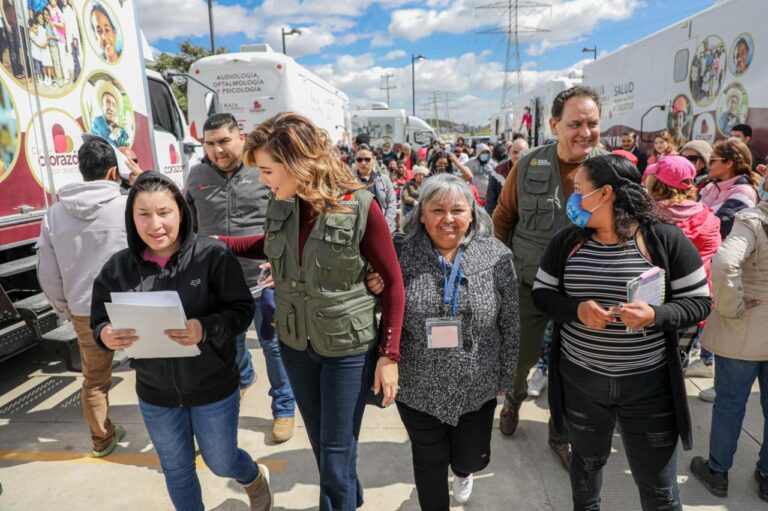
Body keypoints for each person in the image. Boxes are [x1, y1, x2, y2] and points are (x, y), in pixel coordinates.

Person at [218, 112, 405, 510]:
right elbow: (267, 244)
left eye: (268, 170)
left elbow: (392, 282)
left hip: (346, 351)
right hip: (295, 345)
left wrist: (389, 355)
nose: (264, 179)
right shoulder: (283, 203)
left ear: (297, 161)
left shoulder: (360, 206)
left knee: (337, 453)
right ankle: (349, 501)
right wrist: (214, 243)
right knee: (325, 448)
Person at [532, 154, 712, 510]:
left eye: (579, 189)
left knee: (659, 491)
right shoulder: (567, 242)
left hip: (649, 388)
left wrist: (655, 315)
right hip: (582, 384)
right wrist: (576, 310)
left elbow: (699, 303)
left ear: (605, 193)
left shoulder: (664, 239)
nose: (573, 197)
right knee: (585, 471)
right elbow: (542, 294)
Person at [90, 172, 272, 511]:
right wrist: (105, 334)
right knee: (176, 468)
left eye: (164, 212)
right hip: (156, 392)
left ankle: (253, 477)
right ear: (131, 218)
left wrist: (205, 328)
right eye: (143, 214)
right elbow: (98, 319)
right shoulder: (118, 269)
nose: (155, 224)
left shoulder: (212, 256)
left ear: (181, 212)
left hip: (213, 387)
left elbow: (241, 310)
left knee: (222, 461)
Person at [492, 85, 608, 469]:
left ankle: (561, 435)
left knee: (570, 368)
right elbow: (504, 218)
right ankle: (514, 399)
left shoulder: (612, 169)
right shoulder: (527, 164)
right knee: (520, 358)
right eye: (575, 123)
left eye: (592, 123)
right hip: (529, 283)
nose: (585, 132)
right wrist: (498, 273)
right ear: (554, 124)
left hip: (583, 291)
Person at [394, 174, 519, 508]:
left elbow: (509, 322)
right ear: (421, 214)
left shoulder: (495, 256)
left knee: (470, 458)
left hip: (477, 384)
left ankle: (464, 471)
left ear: (472, 214)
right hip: (417, 384)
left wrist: (507, 378)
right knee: (428, 461)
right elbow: (380, 309)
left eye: (457, 210)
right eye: (437, 210)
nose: (447, 218)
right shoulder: (400, 253)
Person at [184, 113, 296, 442]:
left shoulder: (262, 171)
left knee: (273, 346)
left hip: (263, 277)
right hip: (217, 281)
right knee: (228, 340)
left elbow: (289, 218)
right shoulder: (196, 176)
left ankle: (284, 408)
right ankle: (245, 376)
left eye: (224, 141)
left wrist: (285, 262)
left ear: (241, 138)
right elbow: (188, 224)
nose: (217, 149)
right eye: (210, 143)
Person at [36, 138, 128, 459]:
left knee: (94, 380)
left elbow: (47, 271)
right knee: (156, 370)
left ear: (82, 171)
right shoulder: (129, 206)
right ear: (113, 172)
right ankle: (173, 435)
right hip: (132, 306)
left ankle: (102, 439)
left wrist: (65, 306)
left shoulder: (54, 213)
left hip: (84, 309)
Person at [689, 199, 768, 502]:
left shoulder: (752, 221)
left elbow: (723, 263)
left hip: (744, 330)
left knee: (730, 405)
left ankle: (718, 471)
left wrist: (730, 305)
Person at [695, 140, 758, 400]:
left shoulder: (743, 192)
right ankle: (708, 362)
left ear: (729, 163)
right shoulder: (710, 186)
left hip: (727, 266)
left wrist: (694, 215)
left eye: (713, 160)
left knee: (725, 321)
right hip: (707, 261)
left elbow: (719, 224)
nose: (708, 164)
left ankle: (717, 376)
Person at [645, 155, 722, 367]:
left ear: (657, 183)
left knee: (647, 365)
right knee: (677, 364)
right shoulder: (709, 217)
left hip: (653, 304)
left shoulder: (647, 218)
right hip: (693, 304)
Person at [353, 144, 397, 234]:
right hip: (357, 229)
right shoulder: (349, 181)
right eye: (359, 159)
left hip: (383, 227)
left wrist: (385, 223)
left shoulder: (383, 179)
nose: (363, 163)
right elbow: (344, 203)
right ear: (356, 161)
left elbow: (391, 203)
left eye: (367, 159)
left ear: (373, 160)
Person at [486, 137, 528, 215]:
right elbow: (491, 202)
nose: (519, 156)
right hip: (504, 220)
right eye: (515, 152)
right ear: (509, 153)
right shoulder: (498, 172)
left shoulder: (537, 170)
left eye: (523, 152)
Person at [90, 79, 129, 147]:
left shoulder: (119, 128)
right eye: (107, 102)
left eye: (113, 104)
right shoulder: (96, 122)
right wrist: (112, 136)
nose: (111, 108)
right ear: (102, 105)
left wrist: (116, 127)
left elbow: (126, 143)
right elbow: (98, 147)